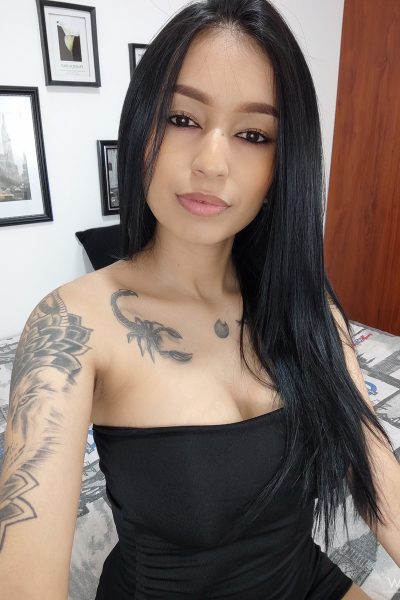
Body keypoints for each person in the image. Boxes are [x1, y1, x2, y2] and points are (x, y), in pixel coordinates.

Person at [1, 0, 399, 598]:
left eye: (253, 134)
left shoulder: (304, 305)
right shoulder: (70, 325)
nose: (212, 162)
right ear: (141, 128)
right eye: (183, 118)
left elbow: (378, 476)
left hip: (302, 580)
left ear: (281, 166)